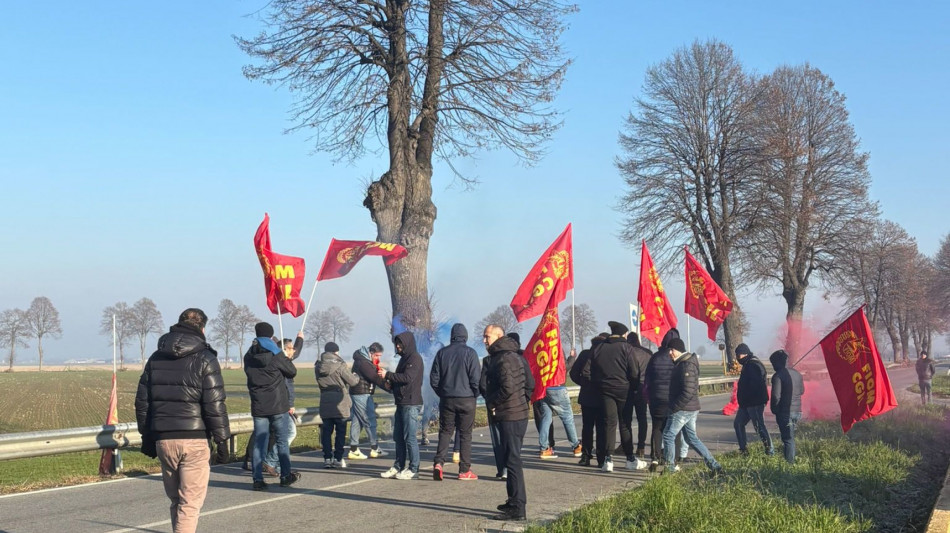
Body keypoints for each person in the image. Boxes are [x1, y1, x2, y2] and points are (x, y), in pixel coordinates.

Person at [134, 308, 230, 533]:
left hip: (164, 441)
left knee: (177, 501)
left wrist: (147, 437)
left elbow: (142, 402)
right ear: (202, 328)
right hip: (194, 439)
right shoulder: (206, 358)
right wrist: (223, 441)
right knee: (190, 504)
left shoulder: (156, 358)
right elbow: (215, 405)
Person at [481, 325, 534, 522]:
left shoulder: (503, 358)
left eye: (487, 336)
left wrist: (493, 403)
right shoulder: (514, 355)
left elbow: (508, 387)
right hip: (515, 412)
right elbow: (528, 384)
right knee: (511, 459)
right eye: (484, 337)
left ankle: (518, 508)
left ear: (499, 336)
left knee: (512, 461)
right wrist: (522, 402)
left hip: (510, 415)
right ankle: (513, 501)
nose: (485, 340)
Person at [244, 322, 300, 490]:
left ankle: (257, 479)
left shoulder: (248, 355)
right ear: (270, 335)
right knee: (282, 441)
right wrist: (282, 356)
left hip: (259, 404)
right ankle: (285, 476)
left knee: (259, 442)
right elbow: (292, 371)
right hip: (278, 405)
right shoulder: (276, 354)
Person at [590, 321, 647, 472]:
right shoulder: (626, 348)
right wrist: (633, 388)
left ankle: (608, 459)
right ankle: (630, 458)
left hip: (605, 390)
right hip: (624, 390)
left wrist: (600, 386)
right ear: (624, 334)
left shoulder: (599, 348)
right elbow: (634, 372)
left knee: (609, 424)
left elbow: (593, 371)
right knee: (624, 424)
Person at [430, 323, 481, 481]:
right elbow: (476, 379)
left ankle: (439, 463)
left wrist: (443, 393)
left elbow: (434, 379)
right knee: (465, 434)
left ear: (451, 336)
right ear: (465, 336)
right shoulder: (470, 353)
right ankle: (464, 470)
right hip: (467, 399)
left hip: (447, 399)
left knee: (445, 432)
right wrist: (474, 394)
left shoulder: (441, 353)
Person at [663, 338, 721, 474]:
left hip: (683, 409)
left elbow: (688, 391)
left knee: (668, 435)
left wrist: (674, 407)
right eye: (669, 350)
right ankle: (715, 466)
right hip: (689, 408)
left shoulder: (686, 365)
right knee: (691, 439)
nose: (670, 353)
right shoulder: (683, 363)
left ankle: (669, 469)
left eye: (672, 350)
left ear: (679, 350)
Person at [378, 331, 424, 480]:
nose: (398, 346)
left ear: (407, 343)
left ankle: (414, 468)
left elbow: (408, 378)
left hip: (411, 403)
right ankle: (398, 465)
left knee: (409, 437)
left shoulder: (415, 358)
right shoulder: (404, 359)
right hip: (401, 402)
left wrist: (388, 375)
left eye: (400, 343)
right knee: (398, 436)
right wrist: (389, 383)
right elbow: (400, 379)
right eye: (396, 343)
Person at [646, 328, 687, 471]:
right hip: (671, 399)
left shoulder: (655, 357)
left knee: (657, 428)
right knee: (673, 430)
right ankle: (672, 460)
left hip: (656, 398)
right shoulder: (678, 359)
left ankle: (655, 457)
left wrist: (649, 397)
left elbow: (647, 380)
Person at [262, 335, 303, 477]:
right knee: (289, 434)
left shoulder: (285, 361)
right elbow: (285, 386)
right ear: (284, 350)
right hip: (282, 405)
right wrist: (289, 404)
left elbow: (297, 352)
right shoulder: (281, 363)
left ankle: (278, 466)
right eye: (291, 348)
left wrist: (300, 339)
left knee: (284, 436)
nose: (293, 351)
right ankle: (271, 461)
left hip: (283, 405)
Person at [535, 336, 582, 460]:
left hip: (545, 388)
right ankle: (576, 445)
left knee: (546, 418)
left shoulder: (541, 350)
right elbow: (564, 367)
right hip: (558, 387)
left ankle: (544, 448)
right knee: (567, 418)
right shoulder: (555, 349)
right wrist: (572, 357)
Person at [315, 342, 360, 468]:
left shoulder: (318, 366)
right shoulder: (340, 365)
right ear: (336, 352)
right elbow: (352, 381)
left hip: (325, 399)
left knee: (326, 432)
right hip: (340, 402)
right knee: (340, 432)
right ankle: (338, 458)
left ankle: (327, 458)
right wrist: (356, 376)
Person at [570, 334, 606, 466]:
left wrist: (583, 383)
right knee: (602, 428)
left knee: (587, 428)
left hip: (587, 396)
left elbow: (573, 373)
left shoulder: (585, 354)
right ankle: (602, 457)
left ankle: (586, 455)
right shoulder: (605, 355)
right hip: (603, 396)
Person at [348, 343, 387, 460]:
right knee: (369, 419)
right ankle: (375, 448)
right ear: (370, 353)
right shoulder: (364, 363)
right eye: (377, 356)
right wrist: (391, 389)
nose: (378, 359)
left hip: (358, 393)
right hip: (362, 394)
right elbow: (375, 378)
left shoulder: (363, 360)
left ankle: (353, 449)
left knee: (357, 420)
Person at [733, 343, 774, 456]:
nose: (737, 357)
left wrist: (750, 397)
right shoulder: (747, 364)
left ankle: (770, 450)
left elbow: (756, 385)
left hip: (754, 402)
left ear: (745, 354)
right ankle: (743, 449)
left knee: (759, 427)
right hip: (746, 403)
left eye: (738, 355)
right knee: (738, 423)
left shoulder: (753, 365)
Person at [769, 350, 804, 464]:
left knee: (787, 439)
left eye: (773, 363)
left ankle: (789, 465)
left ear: (777, 362)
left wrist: (775, 410)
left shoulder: (778, 376)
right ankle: (792, 459)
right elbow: (802, 391)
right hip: (798, 411)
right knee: (791, 437)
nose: (773, 366)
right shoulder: (797, 374)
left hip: (785, 412)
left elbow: (775, 396)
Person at [621, 332, 651, 458]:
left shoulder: (626, 352)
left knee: (626, 420)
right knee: (642, 418)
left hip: (628, 388)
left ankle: (627, 447)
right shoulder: (648, 353)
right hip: (643, 388)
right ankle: (641, 446)